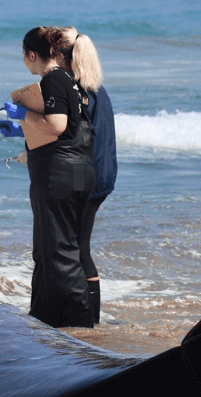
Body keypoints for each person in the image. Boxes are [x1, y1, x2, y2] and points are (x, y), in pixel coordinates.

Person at [0, 26, 99, 328]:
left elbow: (56, 125)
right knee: (50, 249)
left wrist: (21, 114)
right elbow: (71, 130)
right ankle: (45, 318)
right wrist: (24, 132)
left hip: (59, 175)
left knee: (59, 252)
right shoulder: (73, 80)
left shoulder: (53, 79)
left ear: (32, 55)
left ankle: (80, 326)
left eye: (24, 57)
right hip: (78, 171)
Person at [71, 32, 117, 325]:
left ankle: (90, 318)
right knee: (79, 244)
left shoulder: (81, 94)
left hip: (92, 177)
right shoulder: (99, 90)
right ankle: (90, 316)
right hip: (105, 174)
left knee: (78, 246)